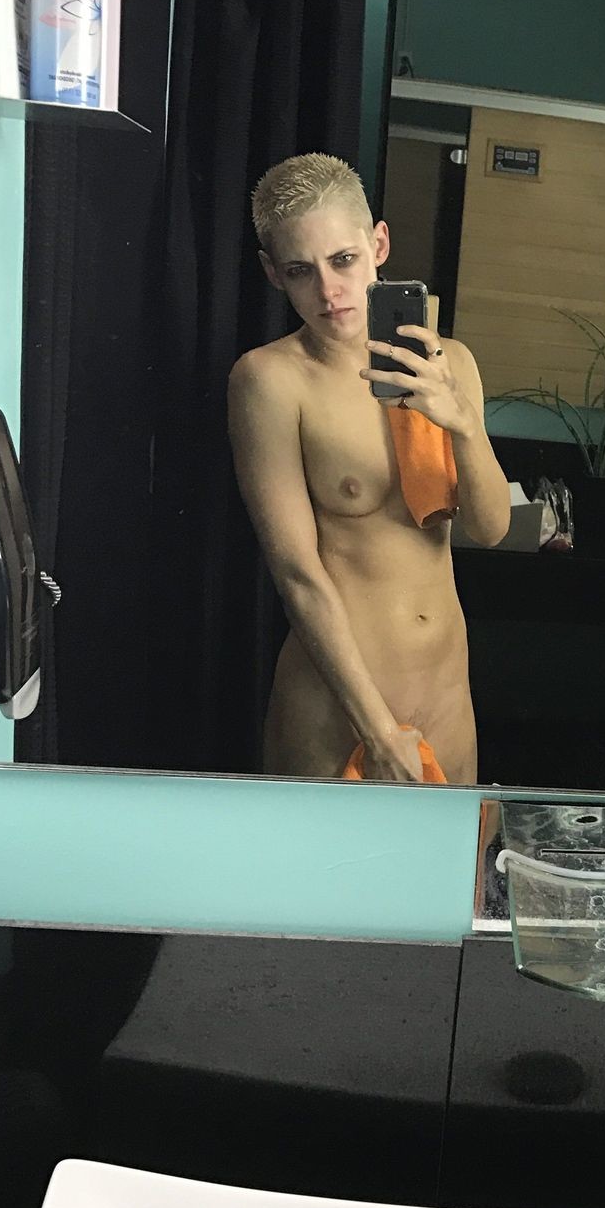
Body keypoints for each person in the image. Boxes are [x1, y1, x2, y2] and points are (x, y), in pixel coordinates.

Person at [228, 153, 510, 783]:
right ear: (273, 273)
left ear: (378, 245)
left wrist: (462, 423)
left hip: (446, 695)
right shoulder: (270, 380)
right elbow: (297, 574)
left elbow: (489, 529)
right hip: (338, 711)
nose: (329, 291)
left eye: (343, 260)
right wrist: (377, 731)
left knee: (453, 852)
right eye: (301, 270)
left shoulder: (450, 362)